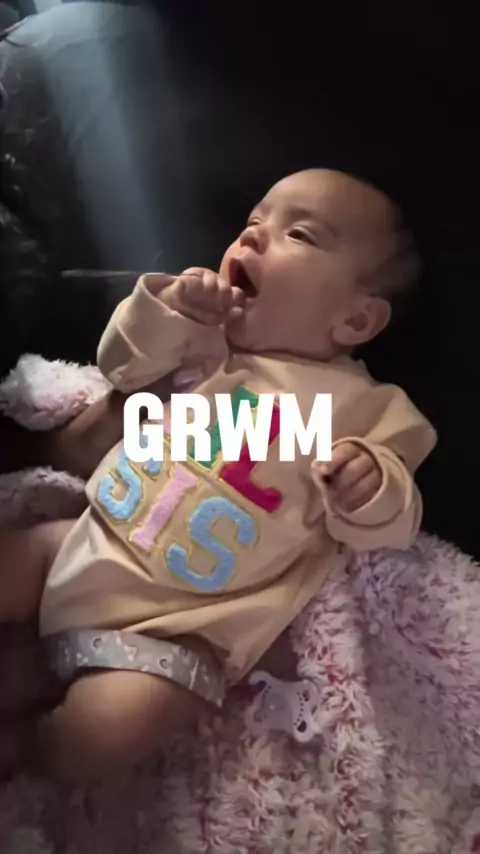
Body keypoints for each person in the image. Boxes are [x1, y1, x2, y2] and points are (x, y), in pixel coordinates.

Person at [0, 168, 437, 782]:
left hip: (176, 631)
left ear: (356, 321)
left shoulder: (368, 409)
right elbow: (121, 366)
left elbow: (391, 521)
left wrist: (371, 484)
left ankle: (29, 746)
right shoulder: (203, 340)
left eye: (299, 234)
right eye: (254, 221)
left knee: (107, 731)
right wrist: (169, 308)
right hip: (82, 541)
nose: (253, 235)